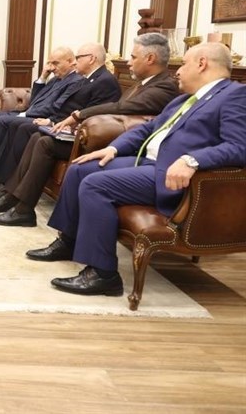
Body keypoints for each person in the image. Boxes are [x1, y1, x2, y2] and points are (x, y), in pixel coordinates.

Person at [27, 43, 246, 296]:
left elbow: (239, 146)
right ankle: (69, 241)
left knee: (95, 185)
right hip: (147, 162)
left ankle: (103, 274)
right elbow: (147, 129)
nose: (177, 71)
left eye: (184, 64)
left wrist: (192, 160)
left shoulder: (234, 95)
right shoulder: (185, 99)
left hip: (171, 175)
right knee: (80, 168)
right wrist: (113, 149)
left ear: (202, 63)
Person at [0, 33, 179, 226]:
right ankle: (15, 199)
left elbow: (120, 108)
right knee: (39, 138)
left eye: (133, 57)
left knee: (43, 142)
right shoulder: (141, 84)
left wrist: (78, 116)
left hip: (112, 143)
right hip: (98, 134)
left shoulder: (164, 87)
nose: (128, 62)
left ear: (150, 58)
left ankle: (23, 209)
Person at [0, 43, 121, 198]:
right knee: (1, 119)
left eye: (78, 58)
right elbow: (42, 101)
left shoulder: (102, 81)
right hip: (57, 122)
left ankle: (2, 181)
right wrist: (43, 78)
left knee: (20, 127)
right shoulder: (83, 79)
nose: (76, 62)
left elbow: (88, 112)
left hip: (74, 132)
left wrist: (51, 121)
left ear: (91, 59)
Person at [0, 47, 84, 177]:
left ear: (70, 61)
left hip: (40, 118)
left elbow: (56, 107)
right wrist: (43, 77)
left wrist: (27, 114)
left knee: (3, 121)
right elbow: (35, 99)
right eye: (50, 63)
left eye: (55, 63)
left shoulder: (75, 81)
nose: (52, 68)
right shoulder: (56, 78)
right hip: (29, 113)